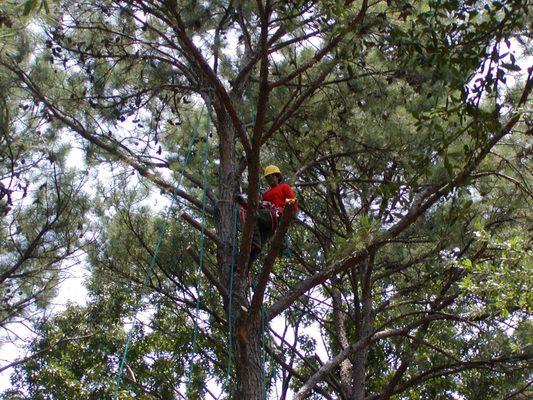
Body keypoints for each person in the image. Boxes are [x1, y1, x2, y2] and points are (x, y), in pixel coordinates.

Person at [237, 165, 298, 263]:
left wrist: (289, 214)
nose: (270, 179)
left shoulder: (284, 187)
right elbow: (260, 208)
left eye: (272, 176)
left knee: (256, 216)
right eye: (268, 178)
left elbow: (293, 203)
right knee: (256, 245)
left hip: (277, 215)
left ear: (277, 176)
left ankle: (255, 241)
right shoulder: (265, 194)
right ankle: (244, 266)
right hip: (266, 220)